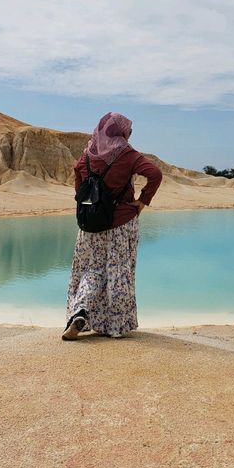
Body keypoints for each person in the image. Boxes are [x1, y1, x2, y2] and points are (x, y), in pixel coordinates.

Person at [63, 112, 162, 340]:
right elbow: (155, 174)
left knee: (91, 270)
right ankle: (115, 326)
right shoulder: (126, 154)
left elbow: (78, 175)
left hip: (90, 224)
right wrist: (142, 202)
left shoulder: (90, 153)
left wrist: (89, 202)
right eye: (129, 130)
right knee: (118, 271)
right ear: (121, 131)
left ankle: (80, 311)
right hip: (121, 223)